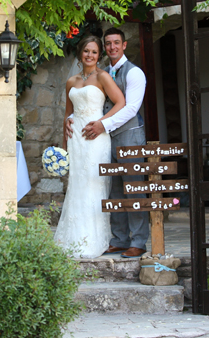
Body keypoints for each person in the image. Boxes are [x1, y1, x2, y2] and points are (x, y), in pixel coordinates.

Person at [66, 27, 148, 258]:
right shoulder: (104, 72)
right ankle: (120, 239)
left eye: (116, 43)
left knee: (133, 188)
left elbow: (131, 107)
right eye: (108, 43)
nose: (112, 47)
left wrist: (103, 125)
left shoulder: (134, 73)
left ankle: (139, 241)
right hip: (103, 140)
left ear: (124, 45)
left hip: (129, 136)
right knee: (115, 190)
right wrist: (72, 119)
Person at [54, 35, 125, 258]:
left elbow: (121, 102)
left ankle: (94, 239)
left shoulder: (103, 76)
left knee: (94, 184)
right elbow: (68, 113)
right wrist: (65, 138)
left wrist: (102, 123)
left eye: (94, 52)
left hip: (96, 137)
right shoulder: (71, 82)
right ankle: (72, 238)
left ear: (99, 55)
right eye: (86, 51)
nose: (90, 55)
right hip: (76, 139)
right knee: (77, 184)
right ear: (80, 53)